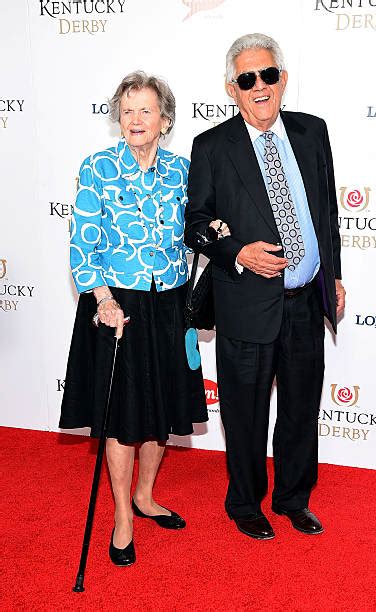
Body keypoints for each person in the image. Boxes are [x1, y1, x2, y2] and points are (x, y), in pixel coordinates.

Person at [185, 33, 346, 540]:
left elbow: (327, 213)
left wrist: (335, 273)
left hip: (304, 302)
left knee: (301, 408)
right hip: (246, 304)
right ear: (232, 89)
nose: (260, 87)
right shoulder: (212, 146)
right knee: (245, 413)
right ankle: (245, 504)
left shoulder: (312, 132)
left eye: (268, 75)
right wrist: (238, 254)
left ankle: (294, 499)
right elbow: (195, 222)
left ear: (283, 79)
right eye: (247, 79)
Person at [60, 71, 212, 566]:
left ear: (165, 119)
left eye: (146, 110)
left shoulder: (182, 171)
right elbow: (82, 247)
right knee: (123, 420)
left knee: (161, 414)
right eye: (128, 110)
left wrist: (215, 227)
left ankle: (146, 496)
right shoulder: (97, 168)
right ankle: (123, 515)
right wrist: (102, 299)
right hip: (117, 306)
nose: (136, 119)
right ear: (117, 118)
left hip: (169, 304)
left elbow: (196, 230)